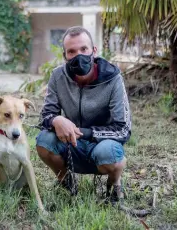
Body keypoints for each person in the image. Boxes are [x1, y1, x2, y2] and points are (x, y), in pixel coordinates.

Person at [35, 26, 131, 205]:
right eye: (71, 51)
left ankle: (114, 183)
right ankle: (66, 181)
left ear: (93, 51)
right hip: (71, 145)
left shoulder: (113, 78)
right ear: (65, 55)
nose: (78, 55)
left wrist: (84, 132)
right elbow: (45, 116)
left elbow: (123, 129)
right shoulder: (58, 76)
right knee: (44, 141)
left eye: (84, 49)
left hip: (102, 143)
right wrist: (57, 119)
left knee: (109, 153)